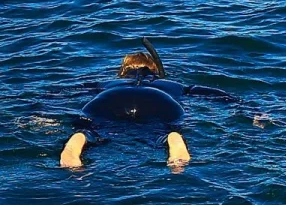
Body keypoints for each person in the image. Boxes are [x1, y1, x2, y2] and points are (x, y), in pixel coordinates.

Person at [59, 37, 236, 169]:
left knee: (91, 128)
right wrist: (244, 106)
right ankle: (172, 139)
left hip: (111, 98)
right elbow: (208, 93)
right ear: (155, 71)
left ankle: (80, 138)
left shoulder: (107, 84)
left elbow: (68, 91)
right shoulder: (172, 85)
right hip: (159, 100)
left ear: (121, 72)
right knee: (165, 129)